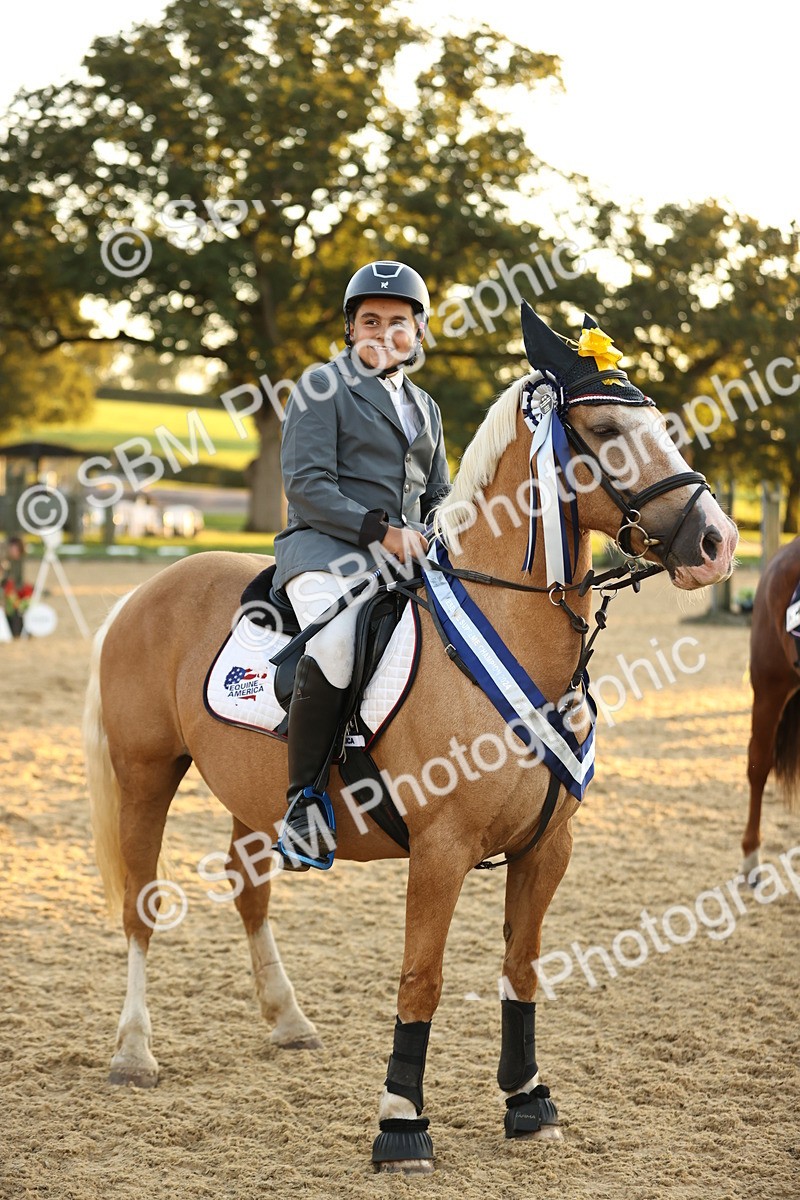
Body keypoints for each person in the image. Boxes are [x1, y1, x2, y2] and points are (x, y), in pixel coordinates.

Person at [272, 261, 451, 869]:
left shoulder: (426, 407)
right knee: (338, 646)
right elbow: (307, 485)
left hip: (404, 557)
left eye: (397, 323)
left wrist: (436, 533)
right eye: (369, 321)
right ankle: (304, 805)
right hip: (325, 551)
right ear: (350, 328)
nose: (383, 333)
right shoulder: (321, 387)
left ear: (418, 333)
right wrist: (383, 531)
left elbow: (439, 496)